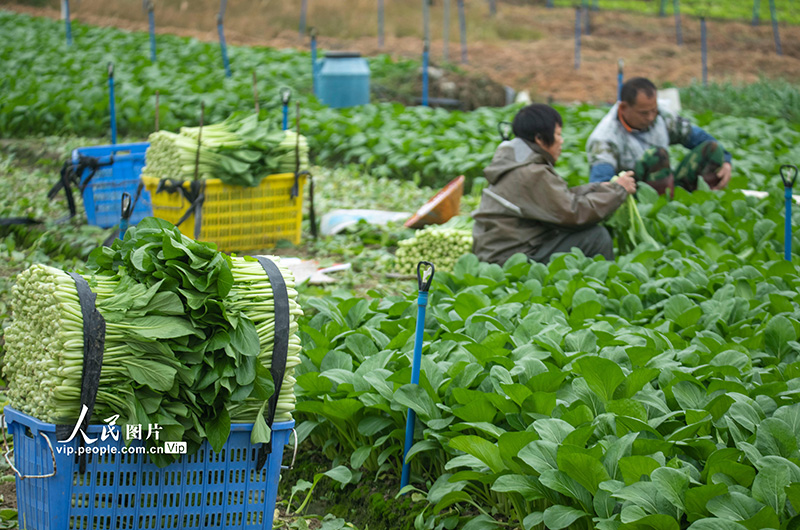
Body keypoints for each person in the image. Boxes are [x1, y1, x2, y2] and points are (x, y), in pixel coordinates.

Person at [472, 103, 637, 265]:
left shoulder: (516, 159)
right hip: (509, 260)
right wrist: (618, 191)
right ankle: (603, 287)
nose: (562, 141)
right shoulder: (530, 172)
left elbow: (559, 198)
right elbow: (573, 213)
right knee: (595, 237)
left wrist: (598, 188)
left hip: (498, 252)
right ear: (540, 139)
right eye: (558, 135)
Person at [586, 77, 732, 194]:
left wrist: (725, 160)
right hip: (634, 193)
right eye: (644, 113)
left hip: (665, 183)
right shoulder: (604, 138)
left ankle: (702, 199)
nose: (650, 117)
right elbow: (601, 184)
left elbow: (698, 137)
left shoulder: (662, 115)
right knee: (656, 155)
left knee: (712, 149)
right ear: (623, 108)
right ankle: (663, 205)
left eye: (653, 110)